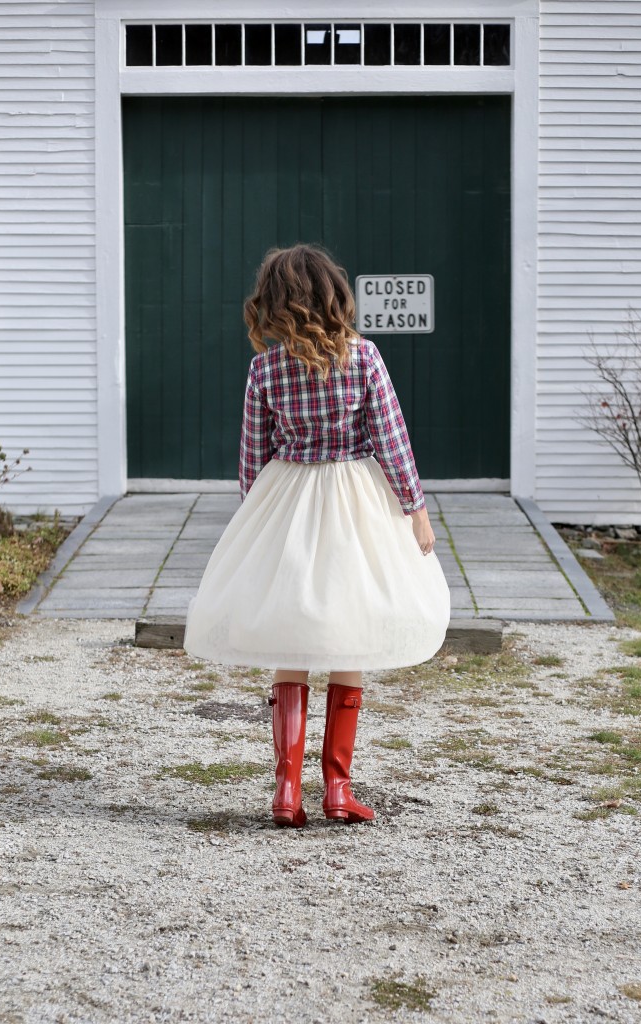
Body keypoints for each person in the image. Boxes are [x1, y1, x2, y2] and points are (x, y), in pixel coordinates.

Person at [184, 243, 450, 828]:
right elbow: (391, 438)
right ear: (333, 295)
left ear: (275, 304)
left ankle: (286, 793)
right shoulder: (365, 358)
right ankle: (337, 788)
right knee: (351, 629)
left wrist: (260, 522)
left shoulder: (264, 369)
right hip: (356, 500)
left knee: (290, 634)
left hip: (287, 498)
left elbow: (252, 462)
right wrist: (415, 509)